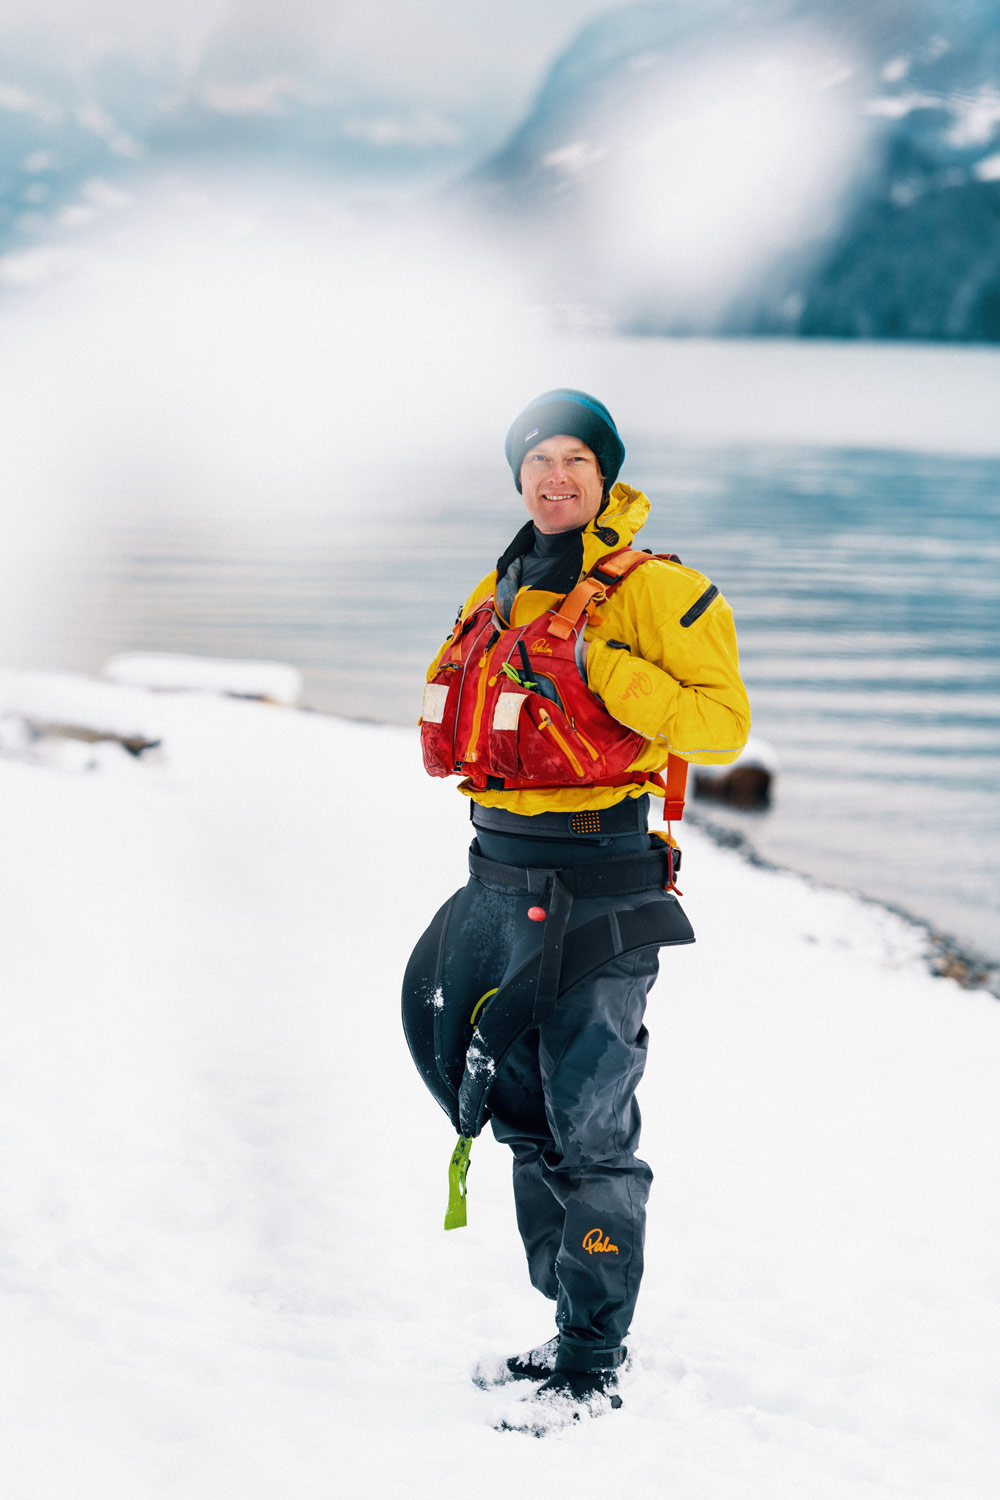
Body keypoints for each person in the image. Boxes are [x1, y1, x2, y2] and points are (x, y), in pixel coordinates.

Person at [402, 389, 750, 1432]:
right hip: (497, 881)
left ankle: (593, 1362)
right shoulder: (502, 582)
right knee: (521, 1117)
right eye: (536, 462)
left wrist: (606, 669)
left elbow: (721, 724)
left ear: (605, 477)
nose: (555, 478)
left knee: (587, 1127)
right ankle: (564, 1323)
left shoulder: (656, 592)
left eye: (575, 462)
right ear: (518, 479)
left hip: (598, 887)